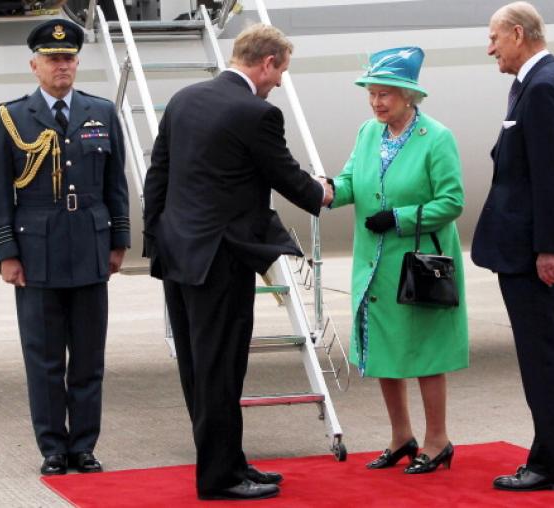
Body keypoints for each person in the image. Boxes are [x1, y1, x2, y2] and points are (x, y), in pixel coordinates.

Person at [142, 24, 332, 501]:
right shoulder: (256, 113)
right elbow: (289, 178)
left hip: (180, 255)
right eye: (281, 70)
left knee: (199, 368)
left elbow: (157, 173)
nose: (281, 82)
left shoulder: (183, 99)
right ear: (266, 62)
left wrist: (157, 240)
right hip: (221, 261)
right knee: (221, 369)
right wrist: (322, 191)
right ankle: (220, 478)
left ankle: (229, 460)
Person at [0, 19, 130, 475]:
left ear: (77, 63)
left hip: (89, 247)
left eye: (67, 58)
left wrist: (118, 241)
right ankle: (52, 448)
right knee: (44, 359)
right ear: (35, 65)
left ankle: (83, 445)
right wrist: (7, 253)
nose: (61, 65)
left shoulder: (102, 111)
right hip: (37, 253)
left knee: (88, 358)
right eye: (52, 58)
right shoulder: (11, 117)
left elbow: (115, 183)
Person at [328, 46, 468, 474]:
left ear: (410, 95)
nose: (376, 102)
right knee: (385, 348)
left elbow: (453, 201)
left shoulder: (437, 138)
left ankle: (438, 439)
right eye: (371, 93)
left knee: (426, 351)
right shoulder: (368, 133)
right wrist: (325, 189)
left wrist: (401, 218)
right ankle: (401, 435)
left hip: (418, 264)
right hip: (375, 262)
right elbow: (351, 180)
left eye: (385, 94)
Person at [471, 1, 554, 491]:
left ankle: (552, 466)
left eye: (495, 38)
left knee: (544, 360)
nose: (490, 48)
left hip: (532, 255)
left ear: (518, 34)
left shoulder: (542, 87)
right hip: (531, 249)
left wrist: (547, 249)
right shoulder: (541, 83)